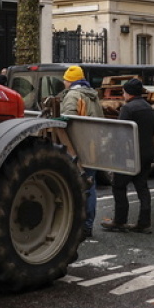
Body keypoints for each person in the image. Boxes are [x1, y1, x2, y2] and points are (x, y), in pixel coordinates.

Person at [102, 79, 154, 234]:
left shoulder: (128, 108)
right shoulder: (149, 108)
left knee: (119, 186)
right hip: (147, 152)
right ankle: (144, 223)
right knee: (142, 187)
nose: (123, 94)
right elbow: (153, 131)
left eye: (124, 91)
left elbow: (121, 132)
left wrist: (113, 149)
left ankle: (120, 221)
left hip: (129, 153)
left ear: (128, 92)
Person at [58, 65, 104, 237]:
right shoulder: (92, 95)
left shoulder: (73, 95)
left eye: (65, 79)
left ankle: (79, 224)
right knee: (90, 183)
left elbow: (67, 121)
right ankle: (88, 224)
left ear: (69, 81)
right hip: (93, 144)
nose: (63, 82)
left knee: (77, 184)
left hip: (78, 146)